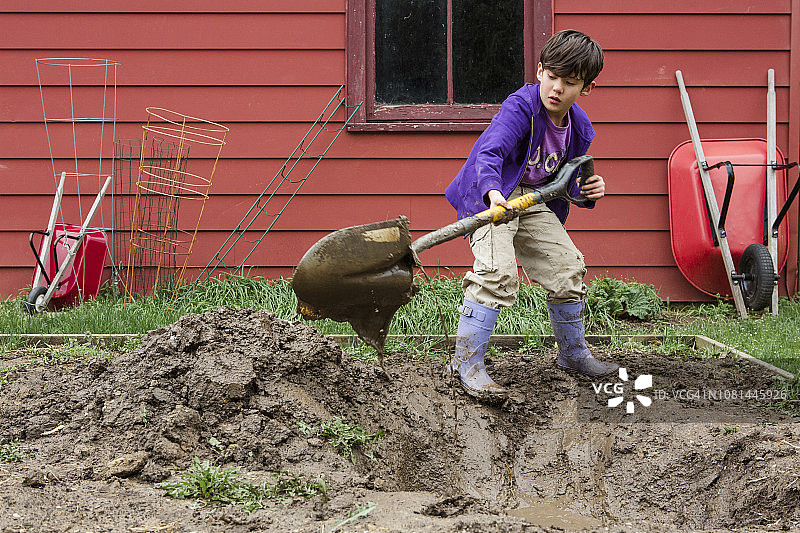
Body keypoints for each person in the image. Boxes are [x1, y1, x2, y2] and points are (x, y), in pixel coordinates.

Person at [444, 29, 619, 401]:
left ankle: (573, 354)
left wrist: (586, 191)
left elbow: (563, 182)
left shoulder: (579, 127)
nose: (557, 88)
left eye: (570, 82)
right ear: (540, 71)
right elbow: (489, 153)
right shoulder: (520, 107)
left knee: (567, 267)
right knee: (497, 273)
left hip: (533, 199)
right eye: (552, 76)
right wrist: (493, 194)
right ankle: (466, 363)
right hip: (493, 195)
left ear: (587, 88)